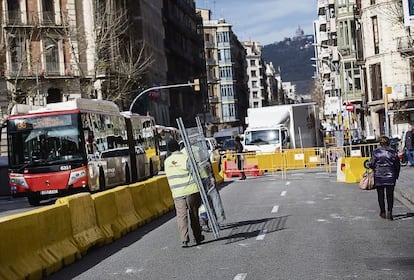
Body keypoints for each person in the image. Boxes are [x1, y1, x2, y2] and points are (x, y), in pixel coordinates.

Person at [164, 139, 204, 247]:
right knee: (194, 214)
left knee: (181, 216)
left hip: (177, 193)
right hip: (191, 190)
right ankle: (197, 237)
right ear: (179, 147)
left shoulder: (167, 162)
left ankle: (184, 239)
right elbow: (195, 173)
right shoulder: (186, 158)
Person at [368, 135, 400, 220]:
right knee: (390, 195)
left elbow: (372, 164)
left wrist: (370, 165)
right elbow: (397, 165)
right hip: (390, 175)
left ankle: (382, 211)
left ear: (380, 143)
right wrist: (396, 175)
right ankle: (390, 211)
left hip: (379, 175)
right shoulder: (393, 152)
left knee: (380, 195)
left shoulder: (376, 152)